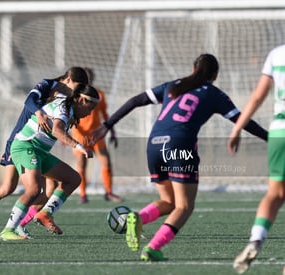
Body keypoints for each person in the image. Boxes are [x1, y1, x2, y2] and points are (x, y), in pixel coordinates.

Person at [91, 53, 268, 261]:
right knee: (184, 206)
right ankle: (152, 248)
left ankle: (137, 217)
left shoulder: (173, 86)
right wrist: (270, 138)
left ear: (193, 69)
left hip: (154, 145)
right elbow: (242, 121)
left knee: (168, 201)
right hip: (179, 145)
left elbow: (135, 100)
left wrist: (107, 125)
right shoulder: (213, 94)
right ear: (215, 75)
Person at [0, 67, 88, 237]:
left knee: (50, 189)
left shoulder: (67, 98)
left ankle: (21, 223)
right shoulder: (48, 84)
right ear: (68, 80)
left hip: (39, 146)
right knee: (9, 187)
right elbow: (29, 101)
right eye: (78, 86)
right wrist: (39, 112)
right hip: (21, 140)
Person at [0, 84, 99, 241]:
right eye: (90, 106)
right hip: (25, 146)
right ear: (79, 99)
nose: (90, 112)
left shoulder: (66, 104)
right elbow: (57, 131)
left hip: (40, 151)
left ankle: (46, 213)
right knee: (34, 190)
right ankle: (7, 230)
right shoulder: (65, 109)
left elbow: (57, 92)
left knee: (73, 178)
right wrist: (79, 147)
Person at [228, 45, 285, 274]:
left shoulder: (277, 54)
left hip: (280, 131)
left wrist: (237, 128)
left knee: (275, 193)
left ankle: (255, 240)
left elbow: (258, 95)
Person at [71, 67, 122, 204]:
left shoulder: (99, 94)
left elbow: (104, 114)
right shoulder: (75, 95)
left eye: (89, 77)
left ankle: (109, 192)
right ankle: (82, 194)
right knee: (82, 164)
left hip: (96, 134)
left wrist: (112, 131)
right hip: (79, 134)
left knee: (106, 161)